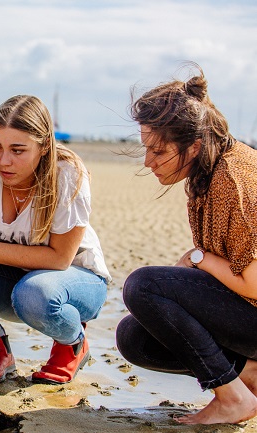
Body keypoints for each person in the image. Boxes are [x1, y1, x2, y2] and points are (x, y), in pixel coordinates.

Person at [0, 95, 111, 384]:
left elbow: (59, 258)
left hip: (75, 283)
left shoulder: (67, 174)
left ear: (44, 147)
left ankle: (72, 343)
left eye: (18, 150)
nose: (3, 160)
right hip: (16, 280)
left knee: (35, 291)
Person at [115, 65, 257, 425]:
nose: (148, 162)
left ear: (193, 145)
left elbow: (254, 283)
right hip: (247, 312)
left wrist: (198, 259)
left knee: (143, 286)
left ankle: (233, 398)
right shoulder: (207, 170)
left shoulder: (234, 180)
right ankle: (250, 375)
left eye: (158, 152)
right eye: (146, 149)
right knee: (134, 337)